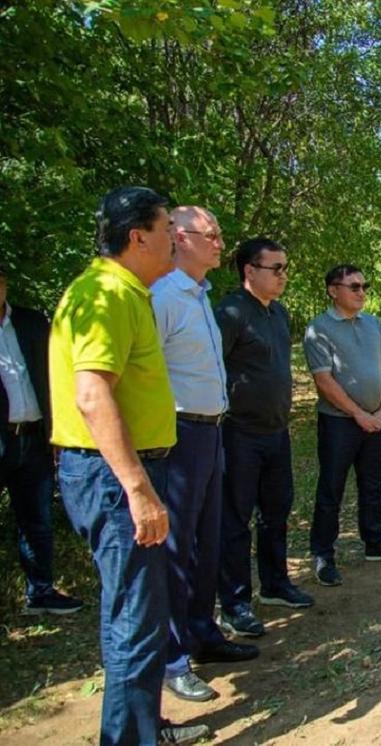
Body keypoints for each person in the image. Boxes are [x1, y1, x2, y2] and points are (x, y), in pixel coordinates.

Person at [49, 186, 208, 744]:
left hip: (125, 473)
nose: (175, 240)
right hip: (116, 479)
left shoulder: (128, 292)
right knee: (136, 622)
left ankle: (146, 726)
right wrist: (139, 489)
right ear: (138, 236)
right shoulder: (104, 295)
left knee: (140, 612)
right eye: (168, 229)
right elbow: (92, 394)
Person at [151, 207, 259, 703]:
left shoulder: (200, 298)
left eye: (218, 233)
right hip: (177, 436)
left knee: (206, 544)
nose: (220, 242)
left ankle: (203, 633)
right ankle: (173, 659)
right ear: (178, 238)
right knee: (175, 552)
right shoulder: (162, 296)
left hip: (211, 432)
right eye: (209, 234)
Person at [215, 237, 313, 638]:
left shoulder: (278, 313)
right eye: (276, 268)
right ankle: (235, 603)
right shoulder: (231, 311)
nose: (283, 276)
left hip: (276, 431)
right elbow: (210, 366)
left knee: (276, 511)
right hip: (239, 433)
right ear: (249, 271)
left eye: (285, 268)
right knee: (235, 520)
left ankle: (275, 585)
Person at [303, 264, 381, 587]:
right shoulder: (318, 329)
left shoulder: (374, 324)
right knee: (331, 489)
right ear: (333, 291)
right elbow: (324, 381)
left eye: (364, 286)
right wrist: (358, 414)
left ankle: (375, 541)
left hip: (377, 419)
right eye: (354, 287)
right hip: (339, 424)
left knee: (374, 484)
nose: (361, 292)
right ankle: (323, 554)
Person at [0, 265, 83, 616]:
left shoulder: (31, 323)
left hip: (34, 436)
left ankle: (41, 591)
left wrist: (58, 430)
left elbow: (56, 376)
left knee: (37, 518)